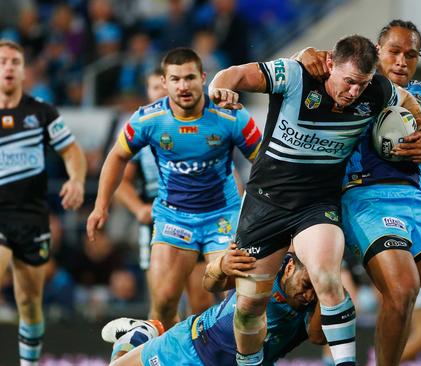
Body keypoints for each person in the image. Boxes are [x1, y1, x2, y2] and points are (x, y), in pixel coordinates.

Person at [208, 34, 421, 366]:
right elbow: (234, 74)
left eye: (363, 84)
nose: (355, 92)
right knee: (248, 307)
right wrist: (219, 89)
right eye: (349, 82)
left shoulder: (377, 91)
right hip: (266, 202)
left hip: (317, 205)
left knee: (328, 279)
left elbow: (409, 102)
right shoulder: (296, 75)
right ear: (330, 65)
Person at [297, 20, 421, 366]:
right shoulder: (353, 85)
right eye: (394, 51)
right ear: (377, 52)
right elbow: (305, 69)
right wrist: (303, 54)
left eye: (410, 55)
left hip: (416, 200)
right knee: (403, 289)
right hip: (363, 197)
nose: (401, 61)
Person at [86, 48, 262, 329]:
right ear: (165, 83)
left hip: (223, 216)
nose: (183, 86)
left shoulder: (231, 116)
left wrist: (270, 210)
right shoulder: (148, 119)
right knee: (164, 304)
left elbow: (266, 164)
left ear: (203, 78)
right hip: (174, 218)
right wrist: (100, 205)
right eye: (176, 79)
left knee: (232, 297)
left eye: (190, 77)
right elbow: (117, 157)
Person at [0, 40, 87, 365]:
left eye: (15, 62)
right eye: (3, 61)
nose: (9, 67)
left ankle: (29, 363)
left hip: (32, 218)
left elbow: (72, 151)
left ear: (24, 71)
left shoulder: (41, 111)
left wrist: (77, 179)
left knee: (29, 302)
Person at [101, 247, 324, 366]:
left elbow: (317, 337)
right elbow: (209, 283)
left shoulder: (319, 303)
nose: (308, 295)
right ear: (290, 267)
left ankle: (139, 336)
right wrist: (221, 266)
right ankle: (139, 334)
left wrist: (326, 289)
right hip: (190, 347)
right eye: (306, 285)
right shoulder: (266, 261)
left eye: (315, 291)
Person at [113, 68, 215, 318]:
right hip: (158, 219)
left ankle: (197, 354)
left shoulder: (202, 123)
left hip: (198, 217)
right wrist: (138, 208)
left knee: (201, 302)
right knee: (164, 302)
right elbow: (119, 181)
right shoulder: (141, 129)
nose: (159, 93)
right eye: (153, 88)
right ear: (148, 92)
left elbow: (226, 171)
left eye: (163, 87)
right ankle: (161, 356)